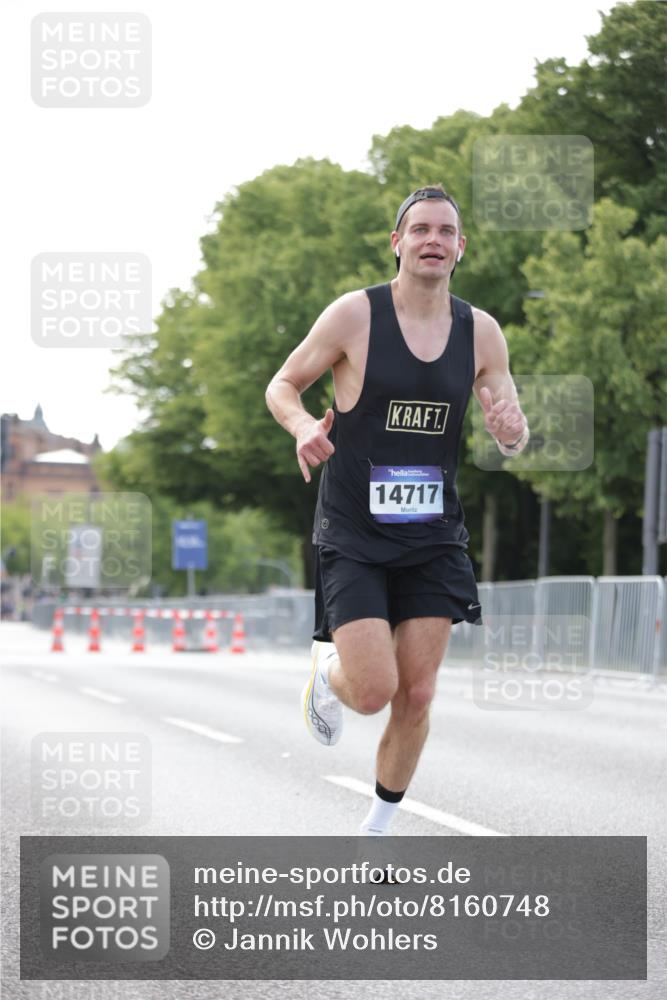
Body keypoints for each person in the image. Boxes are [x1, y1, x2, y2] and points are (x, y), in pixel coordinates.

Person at [265, 185, 529, 836]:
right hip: (353, 531)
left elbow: (512, 430)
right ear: (397, 242)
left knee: (417, 693)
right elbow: (282, 383)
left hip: (432, 535)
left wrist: (510, 431)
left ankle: (375, 832)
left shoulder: (480, 331)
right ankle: (328, 675)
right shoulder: (354, 317)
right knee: (374, 688)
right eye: (419, 230)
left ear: (459, 248)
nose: (432, 240)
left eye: (445, 231)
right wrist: (302, 426)